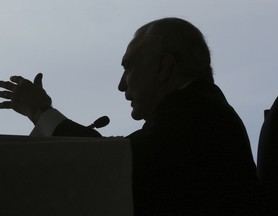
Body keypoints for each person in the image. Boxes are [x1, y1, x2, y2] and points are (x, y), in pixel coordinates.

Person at [0, 17, 263, 215]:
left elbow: (116, 164)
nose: (121, 85)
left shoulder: (196, 115)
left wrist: (41, 112)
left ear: (163, 67)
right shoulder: (201, 109)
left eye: (128, 68)